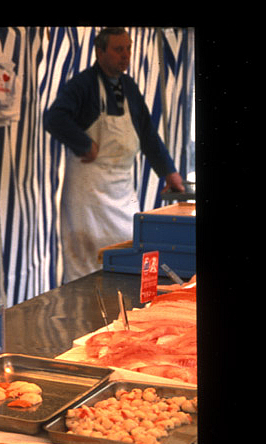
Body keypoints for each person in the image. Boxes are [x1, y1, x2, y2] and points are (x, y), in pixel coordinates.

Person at [44, 27, 185, 283]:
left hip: (122, 191)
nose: (126, 55)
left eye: (129, 48)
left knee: (128, 252)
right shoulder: (82, 85)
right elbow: (54, 118)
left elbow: (147, 133)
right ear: (100, 52)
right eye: (119, 49)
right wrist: (84, 144)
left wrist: (169, 171)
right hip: (87, 196)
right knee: (85, 266)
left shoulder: (129, 86)